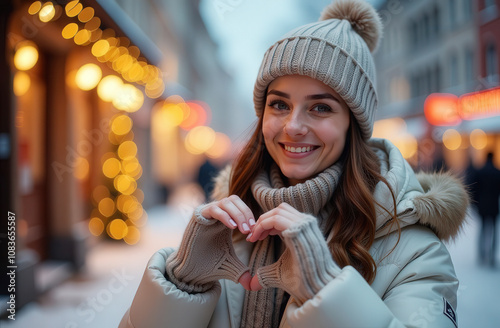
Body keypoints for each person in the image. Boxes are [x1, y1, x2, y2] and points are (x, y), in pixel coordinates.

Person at [119, 1, 469, 327]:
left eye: (320, 108)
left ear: (353, 124)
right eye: (279, 105)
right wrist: (182, 285)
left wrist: (326, 289)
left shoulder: (414, 249)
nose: (293, 127)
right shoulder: (227, 228)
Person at [473, 152, 500, 267]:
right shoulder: (497, 172)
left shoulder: (480, 171)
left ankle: (482, 255)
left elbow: (474, 189)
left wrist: (476, 204)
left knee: (482, 230)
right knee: (494, 231)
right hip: (494, 205)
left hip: (483, 205)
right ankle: (492, 256)